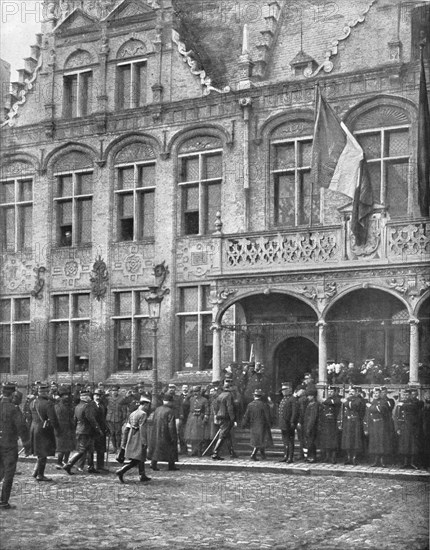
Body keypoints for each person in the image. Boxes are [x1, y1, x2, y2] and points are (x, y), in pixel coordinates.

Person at [0, 382, 30, 510]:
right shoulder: (13, 408)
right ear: (13, 393)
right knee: (8, 473)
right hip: (9, 445)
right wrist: (27, 445)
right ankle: (3, 502)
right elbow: (22, 427)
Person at [63, 389, 103, 475]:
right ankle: (68, 465)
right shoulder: (87, 406)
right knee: (82, 450)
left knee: (90, 449)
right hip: (86, 431)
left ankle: (91, 467)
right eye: (89, 397)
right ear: (84, 398)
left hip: (80, 430)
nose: (90, 398)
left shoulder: (78, 406)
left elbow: (74, 419)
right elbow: (91, 419)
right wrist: (98, 429)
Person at [116, 395, 152, 483]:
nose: (148, 407)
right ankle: (121, 471)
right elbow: (142, 428)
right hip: (138, 438)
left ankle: (142, 475)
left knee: (140, 457)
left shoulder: (133, 413)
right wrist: (144, 442)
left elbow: (127, 428)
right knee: (137, 459)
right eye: (147, 405)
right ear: (144, 405)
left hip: (131, 437)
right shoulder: (143, 414)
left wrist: (124, 442)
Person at [29, 382, 59, 481]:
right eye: (48, 392)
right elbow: (53, 419)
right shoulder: (48, 403)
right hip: (43, 429)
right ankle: (40, 475)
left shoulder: (33, 402)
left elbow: (30, 416)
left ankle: (35, 472)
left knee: (39, 452)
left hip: (34, 428)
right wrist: (58, 429)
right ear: (45, 393)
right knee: (43, 453)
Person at [148, 393, 179, 471]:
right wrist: (173, 436)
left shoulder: (157, 409)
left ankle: (153, 464)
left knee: (156, 448)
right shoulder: (170, 411)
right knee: (171, 448)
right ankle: (171, 466)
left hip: (156, 432)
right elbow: (171, 426)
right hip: (166, 434)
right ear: (170, 401)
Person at [363, 387, 393, 467]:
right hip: (373, 425)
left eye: (377, 393)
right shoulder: (372, 402)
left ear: (380, 394)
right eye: (374, 393)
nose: (375, 395)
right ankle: (376, 460)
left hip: (381, 425)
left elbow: (381, 409)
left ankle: (382, 461)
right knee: (374, 443)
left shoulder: (384, 401)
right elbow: (367, 415)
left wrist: (370, 407)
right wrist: (366, 427)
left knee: (381, 443)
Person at [394, 389, 422, 469]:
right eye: (404, 395)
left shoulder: (414, 403)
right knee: (404, 445)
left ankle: (412, 463)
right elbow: (397, 416)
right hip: (403, 427)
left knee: (413, 445)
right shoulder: (399, 405)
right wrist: (398, 428)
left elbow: (417, 414)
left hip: (413, 427)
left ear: (410, 395)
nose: (405, 396)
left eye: (407, 395)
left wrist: (416, 427)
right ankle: (405, 462)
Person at [241, 389, 273, 460]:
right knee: (260, 440)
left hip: (253, 425)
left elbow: (246, 416)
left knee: (258, 440)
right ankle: (253, 455)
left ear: (254, 396)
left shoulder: (250, 405)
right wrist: (270, 424)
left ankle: (263, 454)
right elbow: (267, 416)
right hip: (262, 425)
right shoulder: (264, 405)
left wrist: (243, 424)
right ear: (261, 396)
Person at [211, 378, 238, 460]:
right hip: (226, 417)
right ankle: (215, 453)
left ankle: (232, 452)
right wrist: (233, 419)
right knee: (222, 435)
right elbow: (229, 408)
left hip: (220, 416)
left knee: (227, 435)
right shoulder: (229, 395)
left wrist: (216, 415)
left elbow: (215, 406)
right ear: (229, 388)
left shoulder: (220, 395)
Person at [340, 386, 366, 466]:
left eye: (353, 392)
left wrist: (346, 403)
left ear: (357, 393)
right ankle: (348, 457)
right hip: (347, 422)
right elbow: (342, 412)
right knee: (347, 441)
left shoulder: (359, 400)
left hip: (355, 422)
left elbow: (354, 406)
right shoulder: (347, 400)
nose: (351, 393)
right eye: (350, 392)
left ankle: (354, 458)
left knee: (355, 441)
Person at [184, 386, 209, 456]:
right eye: (194, 392)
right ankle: (190, 452)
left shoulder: (204, 400)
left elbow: (207, 410)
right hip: (191, 418)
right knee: (189, 435)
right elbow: (185, 405)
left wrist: (205, 418)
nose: (196, 393)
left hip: (199, 418)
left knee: (198, 436)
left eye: (197, 392)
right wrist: (189, 394)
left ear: (200, 392)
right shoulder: (191, 399)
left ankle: (198, 451)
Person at [54, 385, 75, 470]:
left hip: (69, 427)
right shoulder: (57, 405)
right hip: (61, 428)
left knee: (69, 446)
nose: (66, 397)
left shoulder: (69, 405)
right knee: (62, 447)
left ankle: (66, 461)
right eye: (64, 395)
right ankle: (59, 462)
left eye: (67, 395)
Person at [318, 386, 341, 464]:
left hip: (333, 423)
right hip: (326, 423)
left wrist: (324, 401)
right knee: (326, 440)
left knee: (333, 441)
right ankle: (327, 456)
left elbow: (334, 402)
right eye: (329, 391)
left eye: (332, 391)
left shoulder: (337, 399)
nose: (330, 393)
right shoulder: (328, 400)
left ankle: (333, 457)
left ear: (335, 392)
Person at [278, 383, 298, 463]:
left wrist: (292, 421)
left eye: (285, 390)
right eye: (282, 390)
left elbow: (294, 412)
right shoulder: (283, 399)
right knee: (285, 440)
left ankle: (290, 457)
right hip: (283, 423)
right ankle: (285, 455)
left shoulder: (292, 399)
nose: (283, 392)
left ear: (289, 390)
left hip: (289, 423)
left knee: (290, 440)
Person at [93, 388, 109, 472]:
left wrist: (106, 427)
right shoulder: (90, 405)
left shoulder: (103, 406)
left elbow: (103, 418)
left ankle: (100, 466)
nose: (98, 397)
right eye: (96, 395)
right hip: (93, 430)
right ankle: (90, 466)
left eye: (99, 396)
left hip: (101, 430)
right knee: (91, 449)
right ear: (93, 396)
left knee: (101, 448)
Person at [106, 385, 125, 454]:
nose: (114, 392)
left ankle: (118, 448)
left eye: (116, 391)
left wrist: (123, 419)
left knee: (118, 434)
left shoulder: (121, 399)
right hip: (110, 419)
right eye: (113, 390)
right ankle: (114, 448)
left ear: (118, 391)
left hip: (118, 418)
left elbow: (124, 410)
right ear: (111, 391)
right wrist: (105, 393)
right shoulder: (108, 398)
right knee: (112, 433)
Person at [303, 388, 319, 463]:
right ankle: (309, 456)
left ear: (313, 396)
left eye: (309, 396)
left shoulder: (314, 405)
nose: (308, 397)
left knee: (311, 443)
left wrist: (309, 427)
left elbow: (313, 417)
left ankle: (312, 457)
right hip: (307, 425)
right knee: (308, 442)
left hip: (312, 427)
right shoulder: (309, 404)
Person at [295, 385, 308, 461]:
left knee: (302, 439)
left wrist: (299, 421)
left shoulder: (301, 400)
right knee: (302, 439)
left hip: (302, 423)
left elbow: (301, 412)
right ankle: (303, 454)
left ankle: (302, 454)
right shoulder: (304, 400)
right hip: (304, 422)